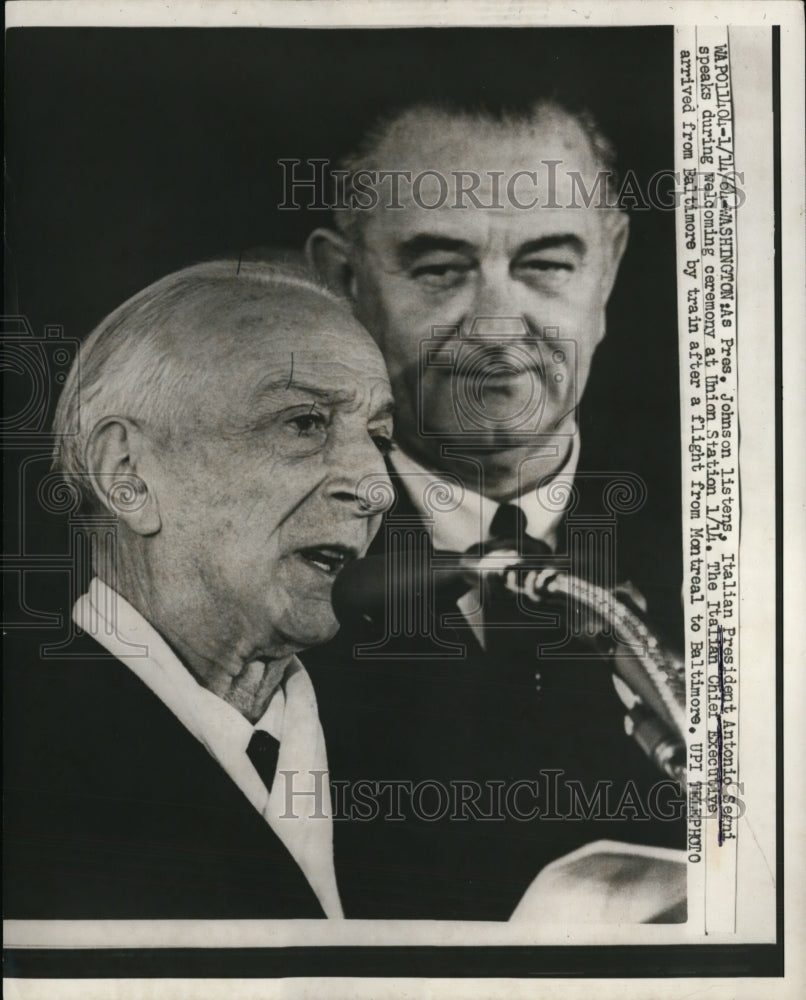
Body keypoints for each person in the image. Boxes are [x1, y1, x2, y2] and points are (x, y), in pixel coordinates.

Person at [302, 97, 686, 920]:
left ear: (610, 267)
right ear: (344, 282)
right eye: (441, 269)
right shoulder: (269, 574)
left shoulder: (735, 543)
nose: (498, 326)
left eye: (547, 263)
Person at [3, 260, 395, 919]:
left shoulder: (422, 743)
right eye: (304, 422)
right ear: (126, 474)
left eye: (380, 436)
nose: (376, 485)